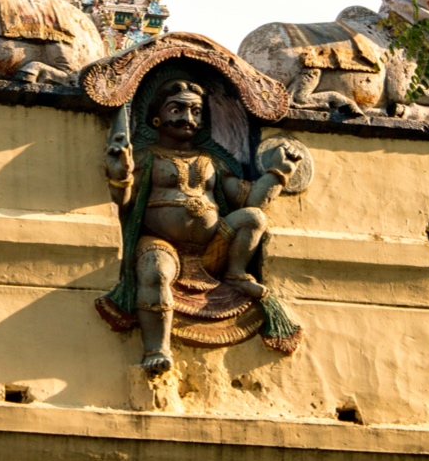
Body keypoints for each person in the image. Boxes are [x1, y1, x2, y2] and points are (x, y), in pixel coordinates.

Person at [102, 79, 298, 373]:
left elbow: (252, 200)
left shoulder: (212, 161)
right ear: (157, 116)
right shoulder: (147, 155)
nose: (187, 118)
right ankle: (157, 348)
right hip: (161, 243)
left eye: (195, 111)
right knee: (155, 271)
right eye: (177, 109)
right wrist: (120, 175)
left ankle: (235, 272)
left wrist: (278, 173)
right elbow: (125, 201)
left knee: (253, 219)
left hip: (211, 250)